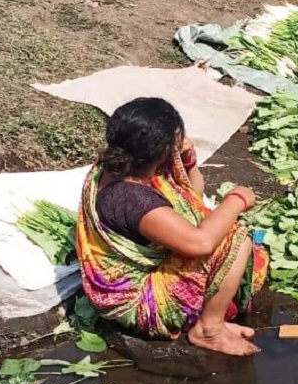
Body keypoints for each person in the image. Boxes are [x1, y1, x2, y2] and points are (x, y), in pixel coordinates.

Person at [76, 98, 267, 356]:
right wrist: (237, 199)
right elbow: (200, 243)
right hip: (136, 302)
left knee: (232, 242)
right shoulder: (131, 198)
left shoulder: (126, 165)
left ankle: (212, 319)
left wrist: (188, 162)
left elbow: (193, 199)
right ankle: (209, 330)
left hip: (149, 270)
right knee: (234, 238)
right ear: (163, 149)